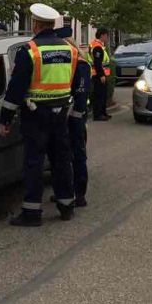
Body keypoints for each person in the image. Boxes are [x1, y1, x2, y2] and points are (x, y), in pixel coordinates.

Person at [0, 3, 78, 226]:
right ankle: (66, 205)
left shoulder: (31, 51)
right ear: (52, 25)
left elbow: (15, 89)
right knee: (61, 159)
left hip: (35, 115)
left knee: (34, 161)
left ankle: (32, 213)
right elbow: (70, 81)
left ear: (35, 24)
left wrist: (5, 119)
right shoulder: (69, 49)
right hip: (61, 112)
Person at [57, 28, 92, 207]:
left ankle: (80, 194)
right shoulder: (69, 62)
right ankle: (65, 191)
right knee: (64, 156)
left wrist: (73, 114)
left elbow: (81, 92)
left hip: (75, 117)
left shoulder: (81, 64)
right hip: (65, 116)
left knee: (77, 155)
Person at [91, 27, 112, 121]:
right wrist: (101, 75)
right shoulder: (97, 47)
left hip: (101, 74)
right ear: (103, 35)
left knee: (103, 95)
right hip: (98, 75)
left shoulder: (99, 46)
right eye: (107, 35)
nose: (107, 37)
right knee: (99, 95)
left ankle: (103, 113)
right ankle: (98, 114)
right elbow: (97, 63)